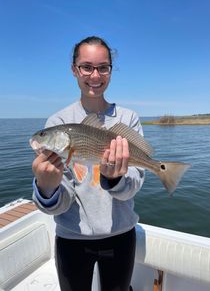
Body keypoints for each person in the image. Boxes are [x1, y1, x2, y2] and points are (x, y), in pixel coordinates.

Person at [32, 36, 145, 291]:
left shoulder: (128, 119)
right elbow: (59, 205)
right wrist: (47, 188)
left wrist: (115, 178)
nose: (95, 75)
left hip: (121, 236)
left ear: (110, 71)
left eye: (103, 67)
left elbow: (134, 185)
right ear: (74, 70)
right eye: (87, 67)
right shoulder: (57, 121)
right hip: (72, 239)